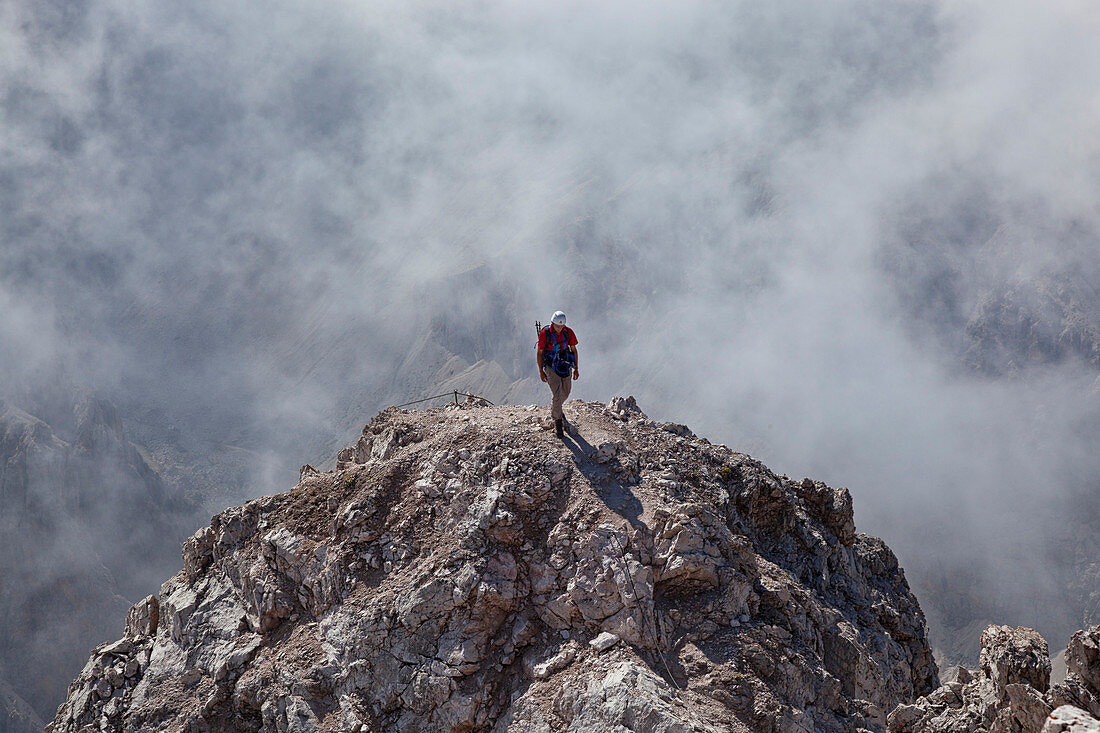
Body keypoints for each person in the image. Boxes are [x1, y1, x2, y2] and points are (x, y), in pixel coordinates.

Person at [537, 311, 579, 438]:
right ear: (552, 323)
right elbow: (540, 352)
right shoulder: (545, 334)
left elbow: (574, 350)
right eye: (557, 326)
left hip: (564, 365)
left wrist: (576, 368)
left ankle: (557, 408)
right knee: (557, 393)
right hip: (550, 366)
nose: (560, 328)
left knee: (566, 392)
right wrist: (541, 371)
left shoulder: (568, 332)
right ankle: (558, 423)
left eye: (562, 326)